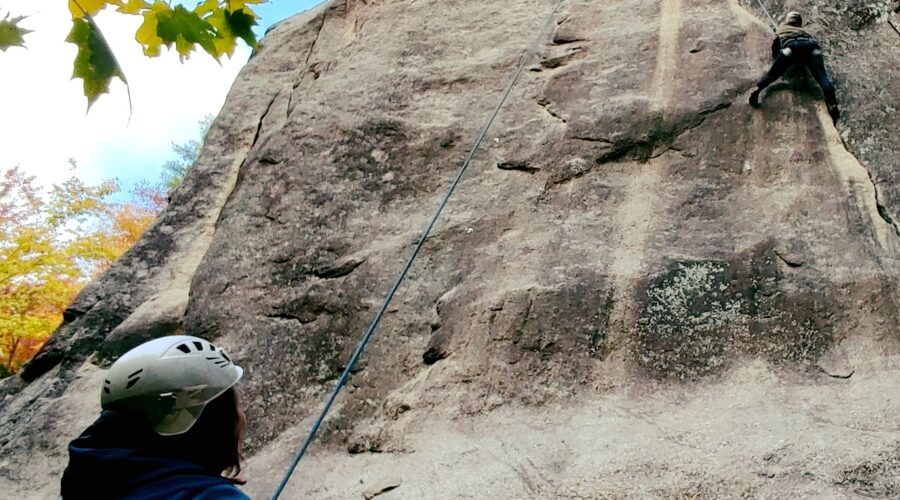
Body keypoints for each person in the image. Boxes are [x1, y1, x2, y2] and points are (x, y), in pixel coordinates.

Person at [61, 335, 249, 499]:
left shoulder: (89, 487)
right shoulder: (210, 496)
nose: (242, 417)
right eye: (237, 406)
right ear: (212, 422)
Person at [749, 11, 840, 122]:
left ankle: (757, 90)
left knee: (772, 74)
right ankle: (833, 104)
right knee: (822, 77)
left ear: (788, 20)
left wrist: (779, 56)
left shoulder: (782, 29)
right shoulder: (803, 31)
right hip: (812, 47)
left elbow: (775, 48)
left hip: (792, 48)